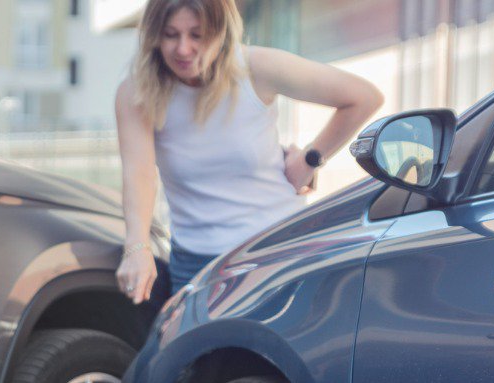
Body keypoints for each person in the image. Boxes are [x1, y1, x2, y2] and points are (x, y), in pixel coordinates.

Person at [113, 0, 383, 303]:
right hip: (197, 264)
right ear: (153, 36)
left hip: (279, 250)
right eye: (171, 34)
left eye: (197, 35)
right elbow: (139, 172)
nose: (183, 49)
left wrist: (311, 159)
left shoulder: (256, 68)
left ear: (221, 31)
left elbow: (363, 97)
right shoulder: (136, 91)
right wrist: (137, 248)